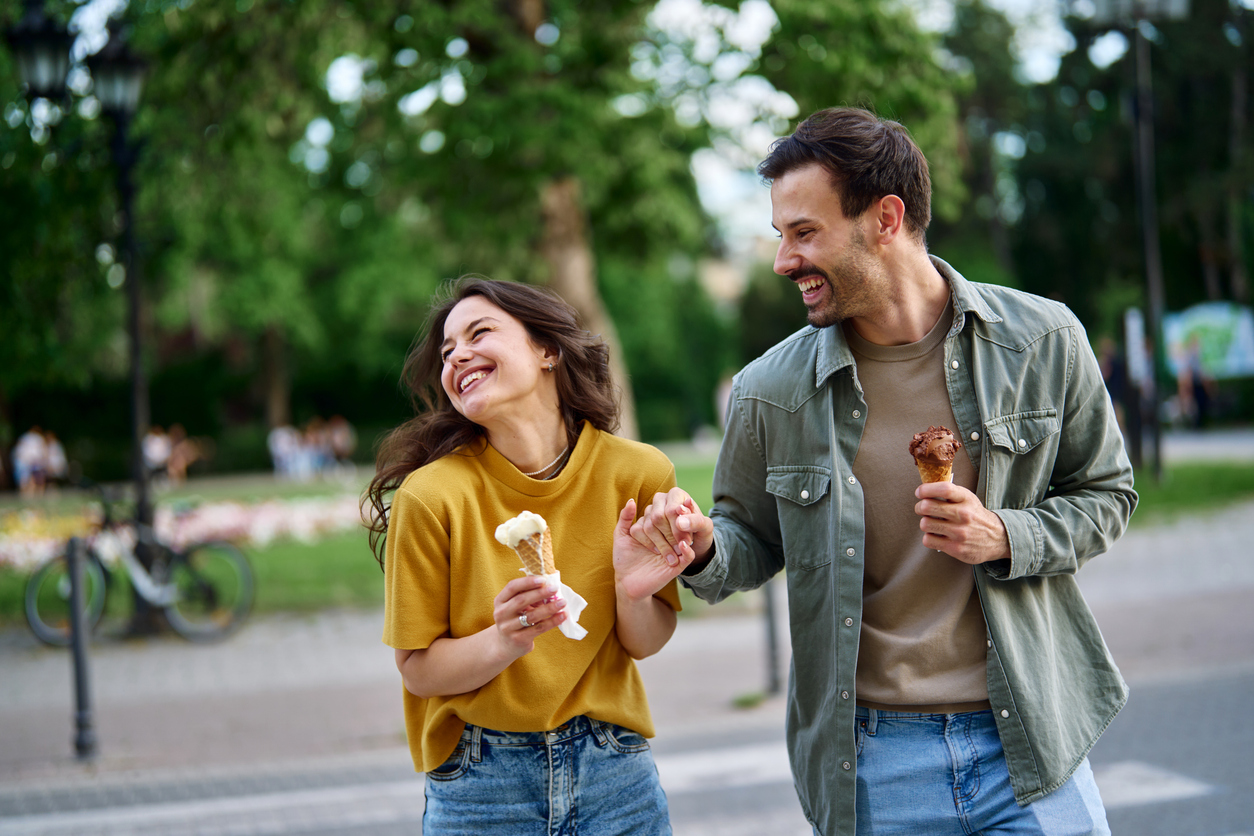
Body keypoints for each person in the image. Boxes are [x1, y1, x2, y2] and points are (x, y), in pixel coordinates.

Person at [632, 108, 1137, 836]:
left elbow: (1108, 495)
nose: (783, 261)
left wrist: (1006, 534)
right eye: (781, 236)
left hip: (1029, 742)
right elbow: (748, 540)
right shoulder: (768, 390)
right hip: (872, 766)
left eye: (804, 233)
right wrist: (704, 544)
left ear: (886, 218)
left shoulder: (1043, 340)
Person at [364, 276, 695, 836]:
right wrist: (505, 639)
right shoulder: (431, 496)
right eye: (447, 352)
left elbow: (645, 640)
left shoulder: (638, 473)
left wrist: (632, 593)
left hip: (614, 768)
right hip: (482, 783)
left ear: (547, 350)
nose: (457, 356)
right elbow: (417, 670)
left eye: (479, 333)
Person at [13, 426, 48, 497]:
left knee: (25, 480)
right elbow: (44, 451)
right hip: (36, 461)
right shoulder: (38, 438)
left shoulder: (24, 438)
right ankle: (37, 495)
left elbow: (18, 451)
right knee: (37, 480)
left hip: (25, 461)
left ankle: (25, 495)